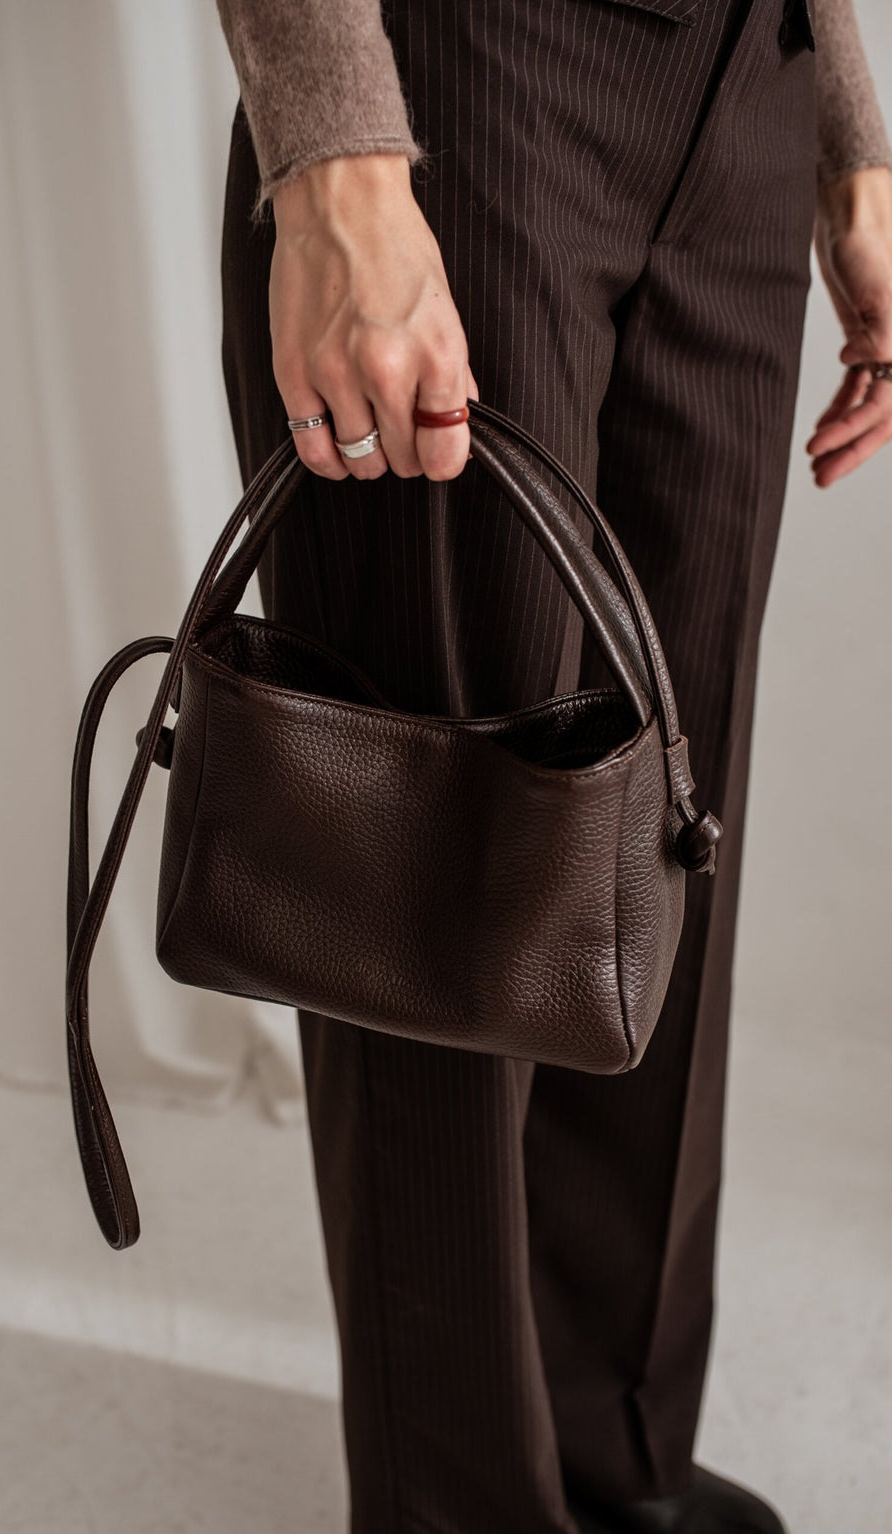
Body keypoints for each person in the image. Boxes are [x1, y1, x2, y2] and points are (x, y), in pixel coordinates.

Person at [213, 1, 892, 1530]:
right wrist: (334, 147)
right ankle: (457, 1504)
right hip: (471, 69)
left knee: (659, 838)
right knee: (439, 878)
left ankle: (614, 1458)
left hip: (750, 86)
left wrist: (849, 142)